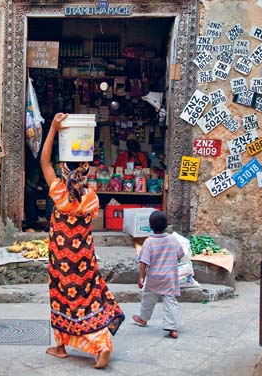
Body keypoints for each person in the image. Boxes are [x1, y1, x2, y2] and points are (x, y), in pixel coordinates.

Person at [40, 113, 125, 369]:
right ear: (85, 171)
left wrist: (53, 129)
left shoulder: (59, 194)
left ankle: (63, 346)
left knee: (61, 298)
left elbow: (44, 161)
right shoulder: (92, 199)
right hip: (84, 259)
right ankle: (100, 345)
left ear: (64, 171)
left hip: (60, 258)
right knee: (87, 299)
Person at [132, 210, 184, 339]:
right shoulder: (172, 239)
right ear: (167, 226)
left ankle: (143, 318)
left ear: (150, 226)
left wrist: (141, 278)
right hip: (169, 278)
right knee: (170, 301)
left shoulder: (149, 242)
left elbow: (143, 262)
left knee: (148, 299)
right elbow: (180, 255)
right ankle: (172, 328)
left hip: (153, 278)